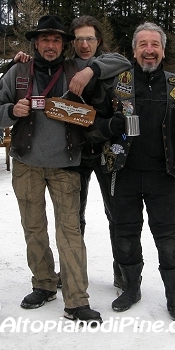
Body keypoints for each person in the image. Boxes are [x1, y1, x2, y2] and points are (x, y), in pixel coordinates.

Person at [0, 14, 130, 324]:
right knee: (34, 229)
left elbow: (122, 62)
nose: (50, 45)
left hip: (66, 164)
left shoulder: (76, 69)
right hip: (26, 164)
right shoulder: (18, 73)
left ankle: (77, 300)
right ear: (36, 43)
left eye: (56, 40)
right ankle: (43, 283)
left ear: (62, 44)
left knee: (69, 232)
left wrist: (92, 67)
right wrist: (12, 110)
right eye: (45, 39)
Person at [91, 22, 175, 322]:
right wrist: (110, 126)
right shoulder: (116, 84)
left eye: (155, 45)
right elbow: (92, 126)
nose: (149, 51)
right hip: (122, 173)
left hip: (162, 174)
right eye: (143, 45)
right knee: (125, 234)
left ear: (163, 51)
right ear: (134, 50)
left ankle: (174, 295)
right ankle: (131, 287)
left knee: (168, 238)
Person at [67, 15, 122, 289]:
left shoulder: (109, 62)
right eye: (79, 40)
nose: (85, 44)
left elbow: (124, 62)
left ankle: (123, 272)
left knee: (117, 215)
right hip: (74, 153)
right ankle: (75, 275)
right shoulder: (64, 67)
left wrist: (91, 71)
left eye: (90, 38)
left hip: (106, 151)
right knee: (73, 218)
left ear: (98, 40)